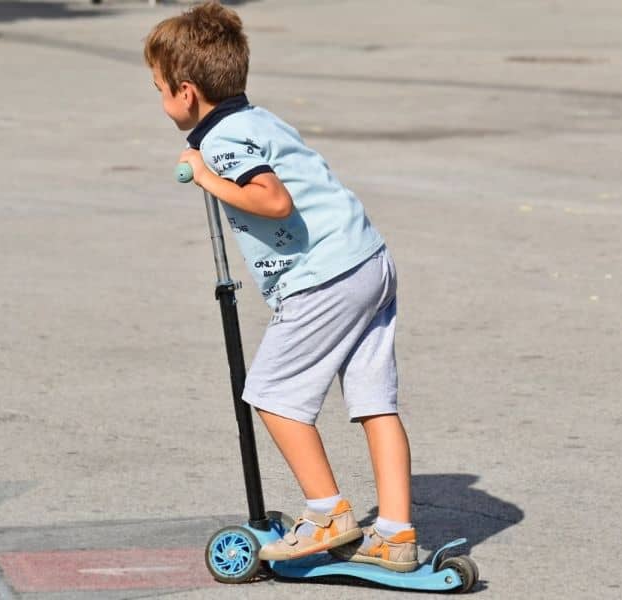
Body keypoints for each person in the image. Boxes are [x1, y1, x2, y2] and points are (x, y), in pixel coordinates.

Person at [145, 1, 418, 572]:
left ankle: (326, 514)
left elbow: (273, 198)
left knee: (270, 391)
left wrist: (206, 176)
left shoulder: (219, 142)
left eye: (159, 89)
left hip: (323, 279)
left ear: (187, 92)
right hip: (367, 259)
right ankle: (394, 532)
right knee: (373, 401)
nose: (161, 99)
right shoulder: (260, 118)